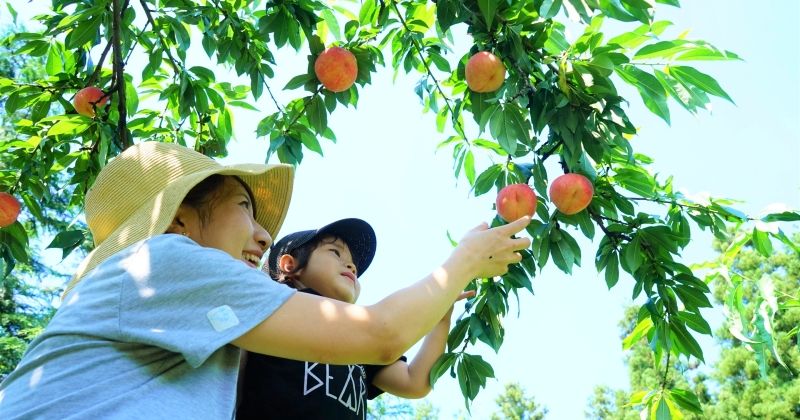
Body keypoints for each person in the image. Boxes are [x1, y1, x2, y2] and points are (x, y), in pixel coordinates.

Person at [0, 142, 530, 419]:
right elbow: (380, 334)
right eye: (245, 208)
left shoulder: (215, 328)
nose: (261, 235)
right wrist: (465, 258)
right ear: (181, 217)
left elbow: (404, 370)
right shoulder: (162, 260)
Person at [236, 218, 473, 419]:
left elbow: (415, 381)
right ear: (289, 264)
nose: (350, 265)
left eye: (355, 267)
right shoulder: (276, 303)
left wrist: (441, 318)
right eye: (335, 252)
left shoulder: (357, 335)